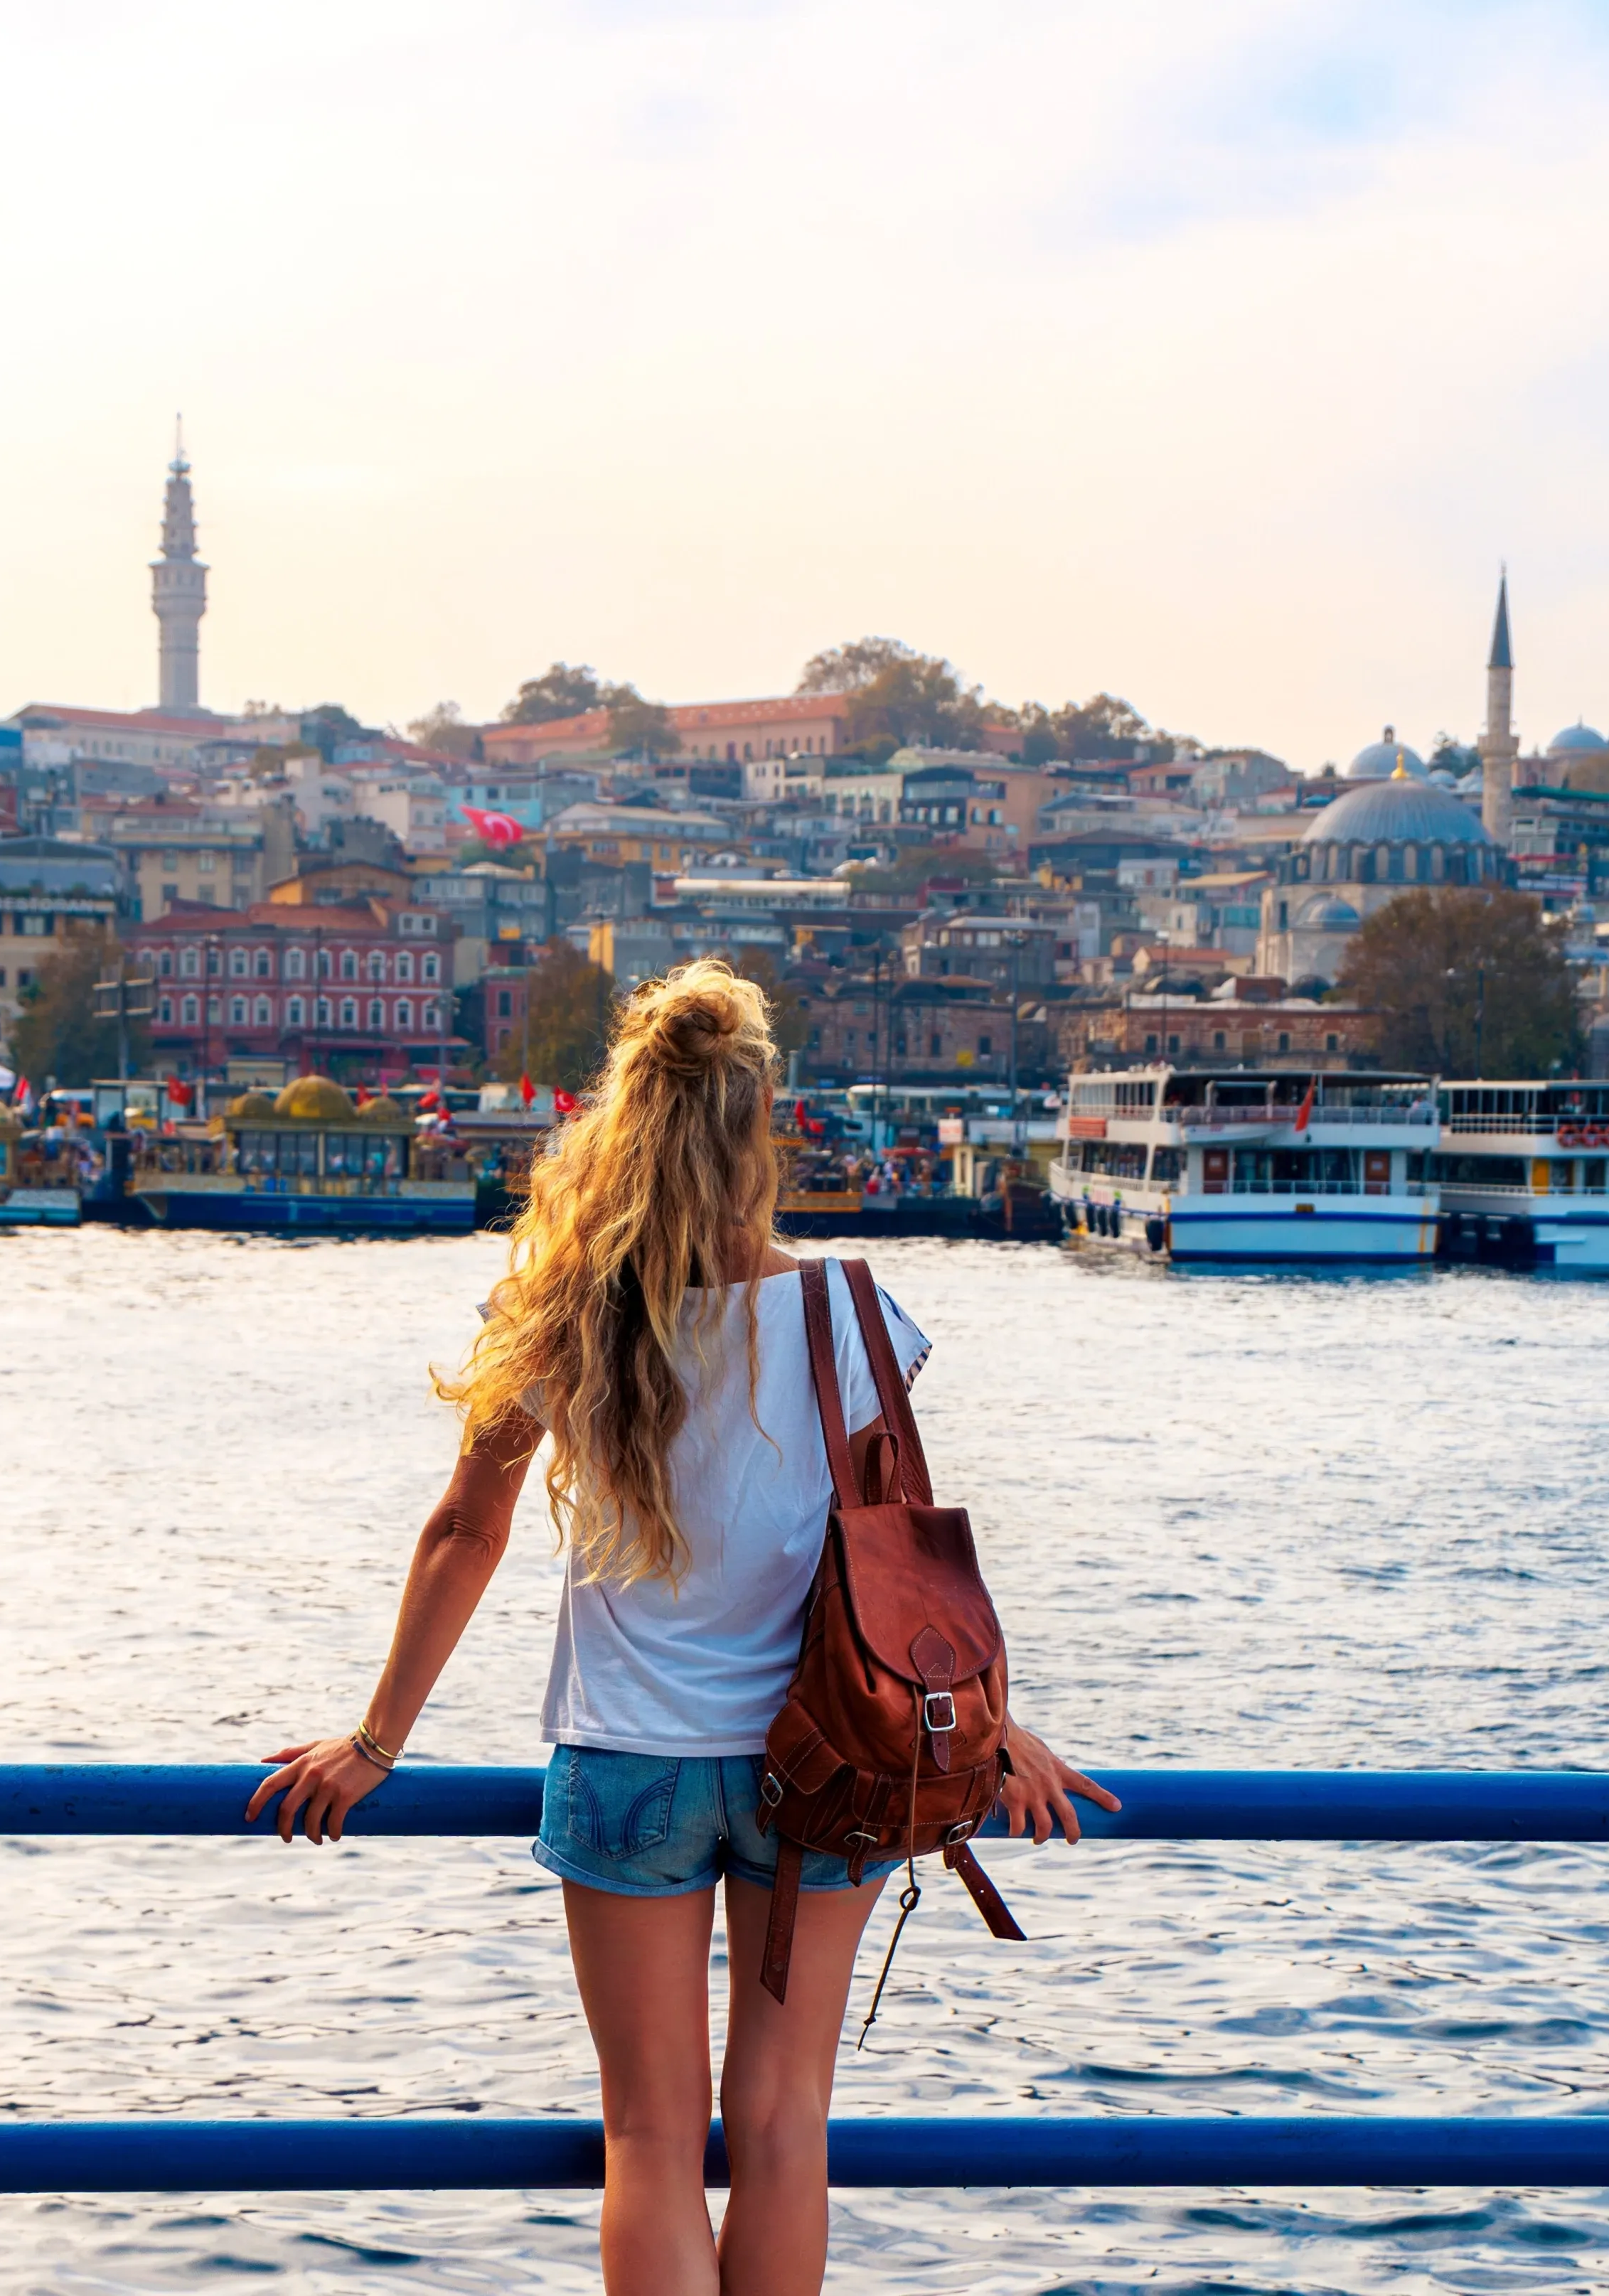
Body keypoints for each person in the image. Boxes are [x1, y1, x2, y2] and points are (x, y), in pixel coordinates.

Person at [251, 960, 1113, 2295]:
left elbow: (463, 1531)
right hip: (822, 1761)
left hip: (632, 1758)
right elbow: (898, 1580)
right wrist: (997, 1733)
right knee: (781, 2126)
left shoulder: (562, 1307)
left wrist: (377, 1740)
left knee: (649, 2137)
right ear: (758, 1130)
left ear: (623, 1121)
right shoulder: (851, 1313)